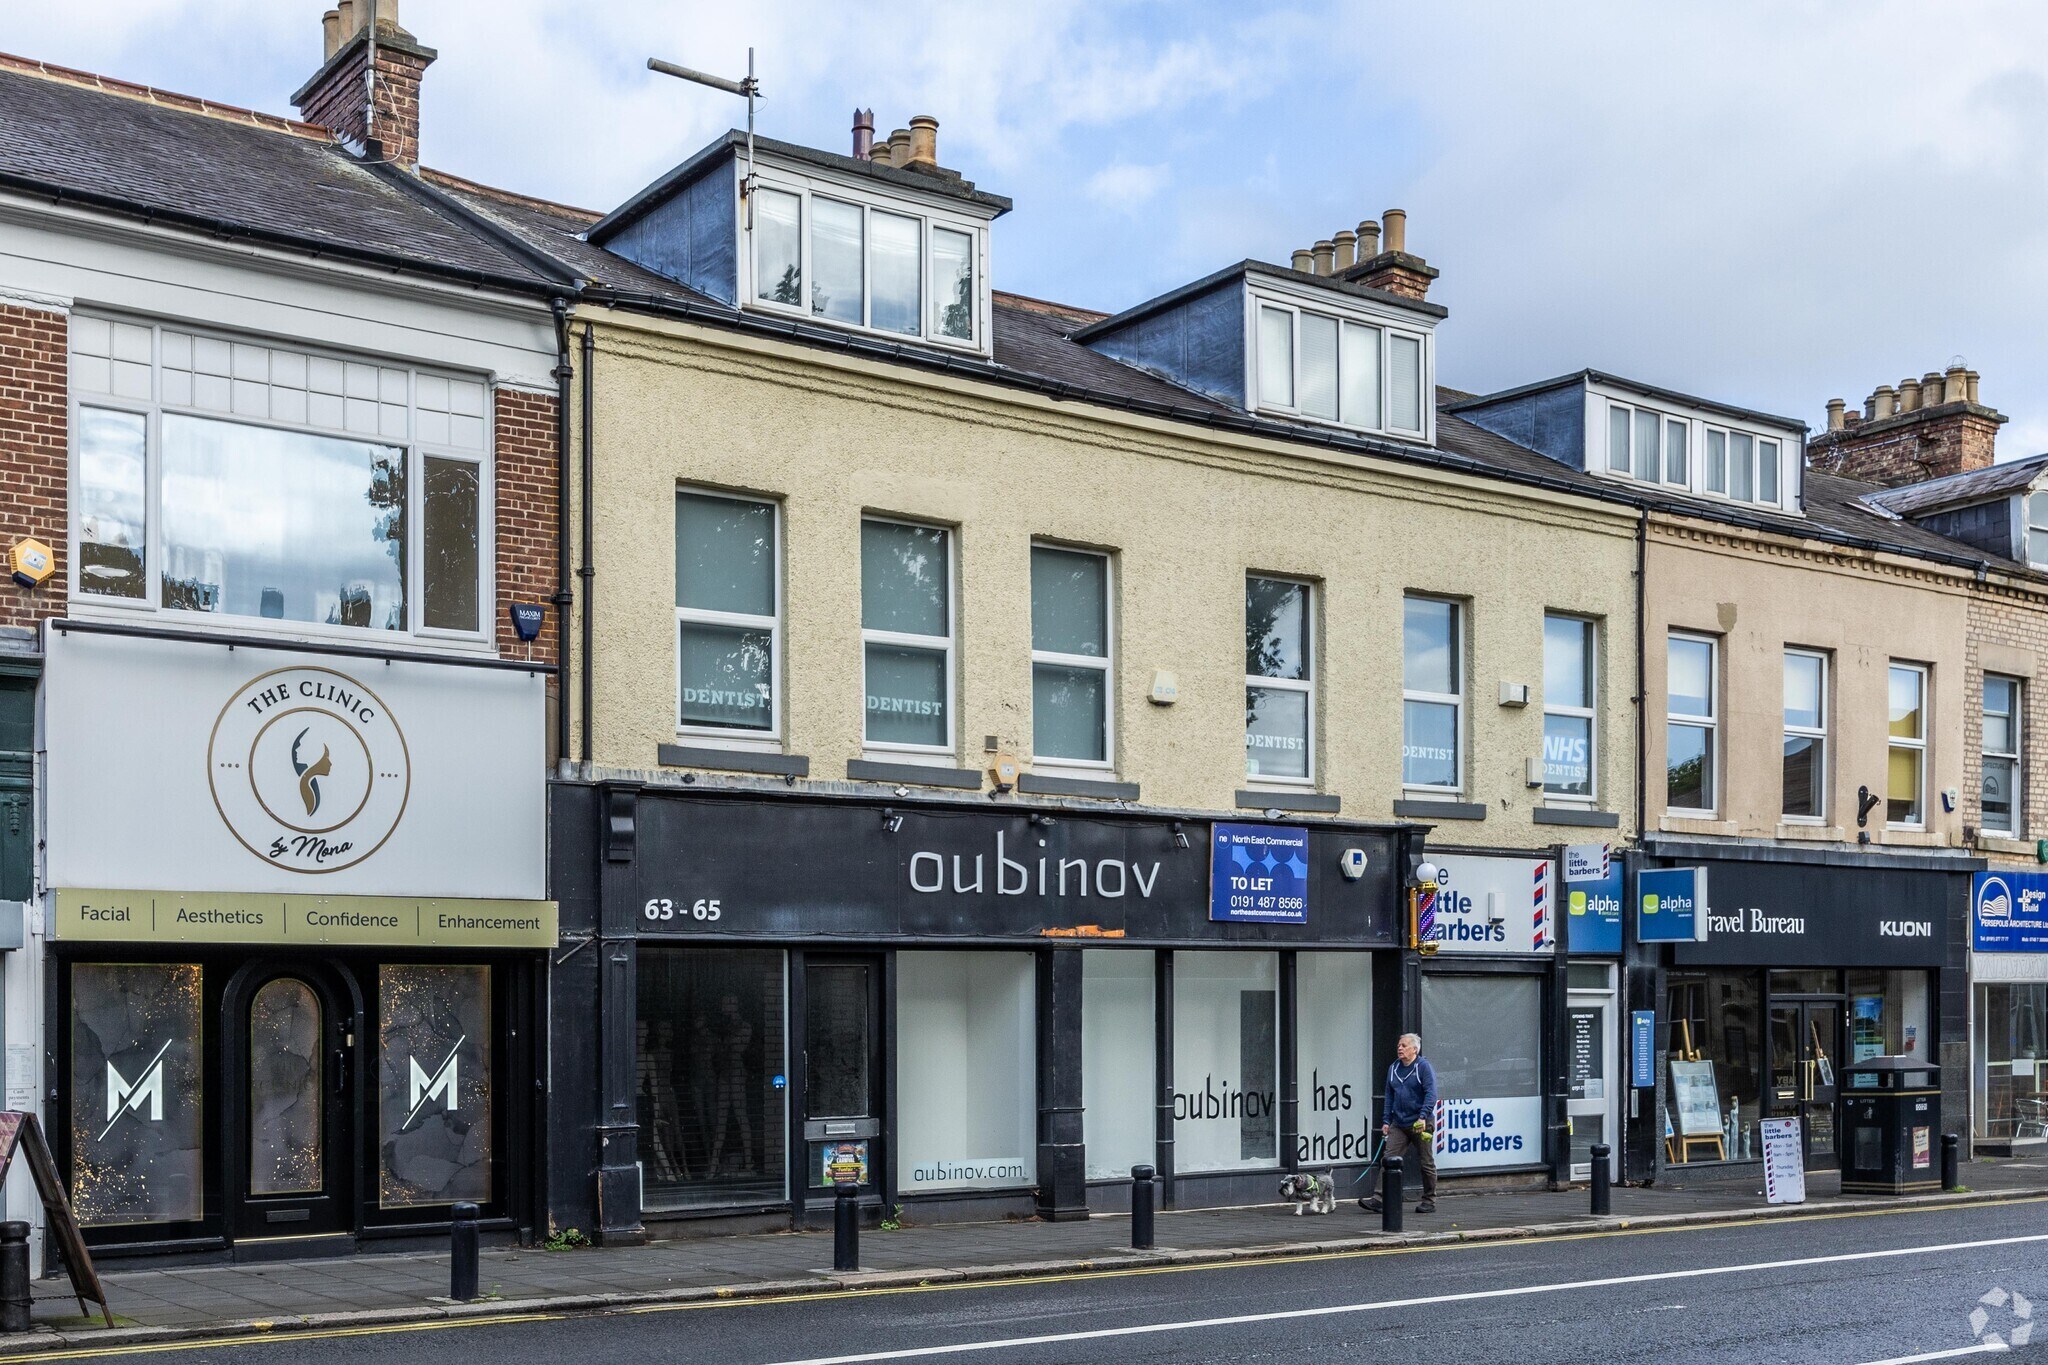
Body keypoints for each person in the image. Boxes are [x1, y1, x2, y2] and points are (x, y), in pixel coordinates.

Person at [1359, 1032, 1438, 1215]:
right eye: (1399, 1046)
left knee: (1426, 1162)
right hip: (1399, 1123)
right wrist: (1386, 1120)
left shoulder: (1423, 1067)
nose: (1400, 1048)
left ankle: (1429, 1200)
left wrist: (1423, 1117)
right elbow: (1389, 1095)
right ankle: (1378, 1199)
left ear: (1415, 1049)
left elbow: (1431, 1094)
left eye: (1404, 1046)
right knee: (1388, 1159)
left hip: (1420, 1122)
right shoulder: (1394, 1068)